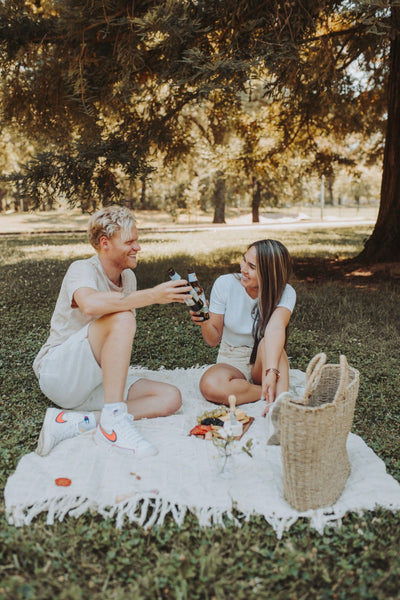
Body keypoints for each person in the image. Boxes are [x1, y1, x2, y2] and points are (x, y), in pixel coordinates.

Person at [33, 205, 194, 457]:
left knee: (169, 397)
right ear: (105, 243)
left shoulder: (128, 278)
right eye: (129, 241)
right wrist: (153, 295)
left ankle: (79, 422)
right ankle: (114, 423)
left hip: (95, 380)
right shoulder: (82, 269)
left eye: (137, 240)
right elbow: (90, 303)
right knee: (122, 317)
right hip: (60, 375)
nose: (137, 247)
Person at [190, 239, 296, 415]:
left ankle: (281, 403)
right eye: (244, 260)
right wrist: (205, 321)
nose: (243, 269)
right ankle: (269, 391)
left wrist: (270, 371)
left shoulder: (286, 292)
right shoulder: (225, 284)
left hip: (264, 357)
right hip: (232, 358)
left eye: (252, 267)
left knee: (269, 343)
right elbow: (212, 340)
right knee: (210, 385)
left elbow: (276, 329)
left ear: (269, 273)